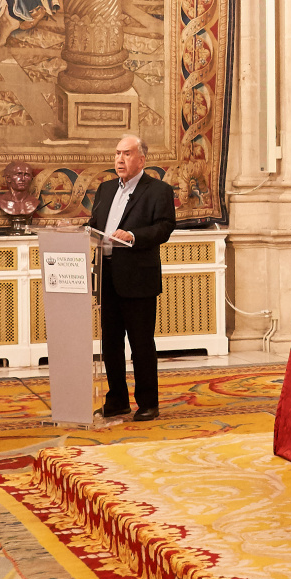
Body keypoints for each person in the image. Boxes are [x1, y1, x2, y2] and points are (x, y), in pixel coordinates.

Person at [88, 134, 177, 421]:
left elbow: (164, 227)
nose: (120, 159)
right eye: (117, 153)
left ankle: (148, 403)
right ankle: (117, 401)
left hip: (138, 276)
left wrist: (134, 235)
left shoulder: (158, 190)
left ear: (142, 159)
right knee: (110, 343)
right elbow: (94, 224)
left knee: (140, 343)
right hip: (106, 274)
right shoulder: (104, 190)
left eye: (127, 154)